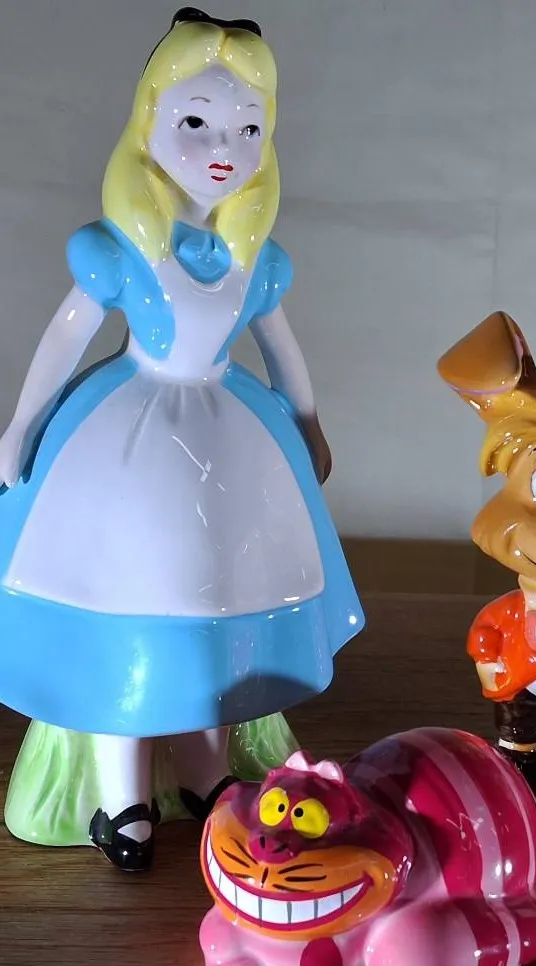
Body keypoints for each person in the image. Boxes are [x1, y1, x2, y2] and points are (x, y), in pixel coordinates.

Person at [0, 8, 363, 871]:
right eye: (195, 122)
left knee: (219, 605)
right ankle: (121, 794)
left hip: (232, 439)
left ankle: (206, 774)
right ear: (148, 125)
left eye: (247, 128)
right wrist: (19, 427)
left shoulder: (252, 259)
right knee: (131, 600)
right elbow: (64, 339)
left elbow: (281, 347)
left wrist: (307, 419)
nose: (222, 147)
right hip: (127, 444)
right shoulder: (120, 250)